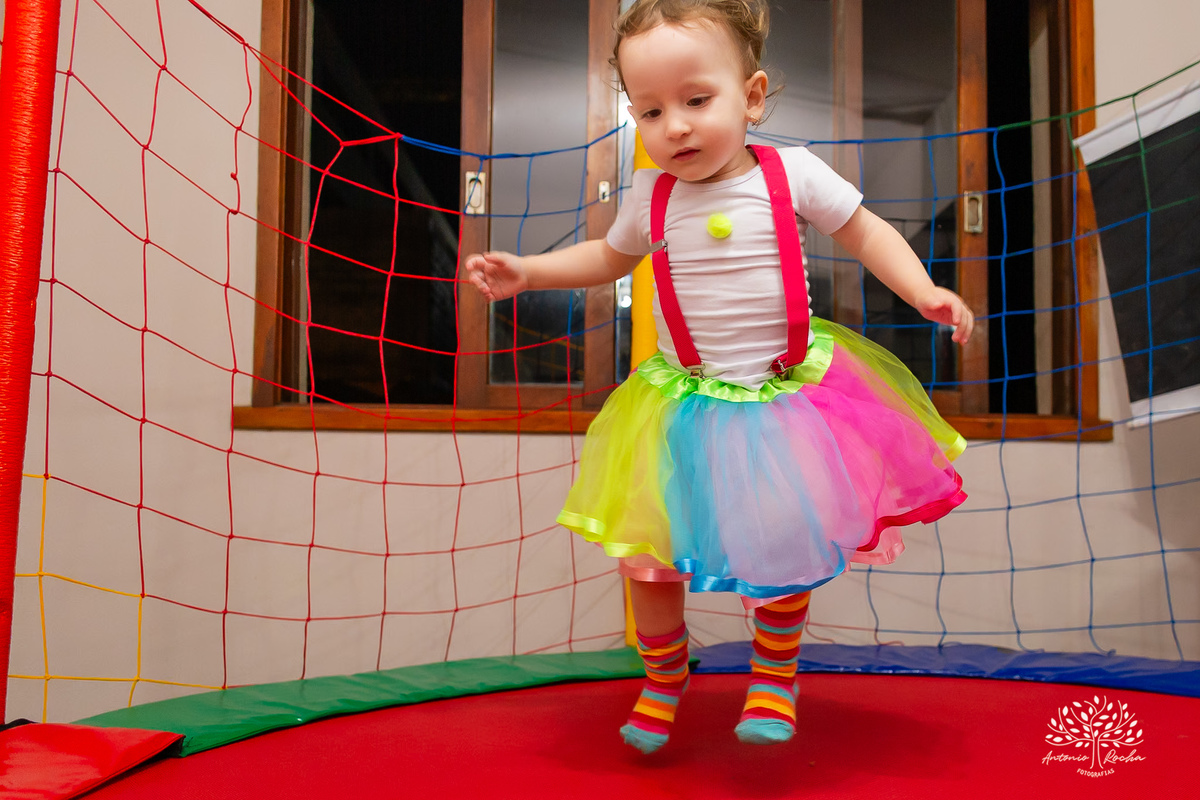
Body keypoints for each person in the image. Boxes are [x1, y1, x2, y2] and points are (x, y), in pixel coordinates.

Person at [466, 0, 973, 754]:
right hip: (681, 406)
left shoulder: (792, 172)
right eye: (650, 110)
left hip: (781, 400)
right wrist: (530, 269)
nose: (674, 125)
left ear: (754, 96)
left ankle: (775, 673)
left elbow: (867, 232)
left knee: (782, 540)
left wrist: (923, 288)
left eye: (696, 100)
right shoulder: (651, 196)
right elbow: (607, 258)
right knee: (650, 554)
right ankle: (664, 677)